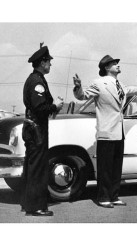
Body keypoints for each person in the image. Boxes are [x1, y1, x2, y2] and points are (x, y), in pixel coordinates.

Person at [73, 55, 137, 208]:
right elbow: (83, 96)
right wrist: (78, 87)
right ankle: (103, 197)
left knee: (116, 166)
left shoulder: (120, 83)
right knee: (105, 167)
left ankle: (114, 196)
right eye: (114, 64)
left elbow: (129, 90)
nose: (117, 65)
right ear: (107, 67)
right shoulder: (99, 83)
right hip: (106, 131)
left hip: (119, 131)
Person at [21, 43, 64, 216]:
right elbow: (40, 108)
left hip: (34, 128)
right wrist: (55, 106)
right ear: (42, 62)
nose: (50, 64)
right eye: (48, 61)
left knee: (32, 166)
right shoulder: (37, 81)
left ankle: (29, 202)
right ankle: (37, 206)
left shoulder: (35, 79)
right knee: (37, 167)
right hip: (36, 129)